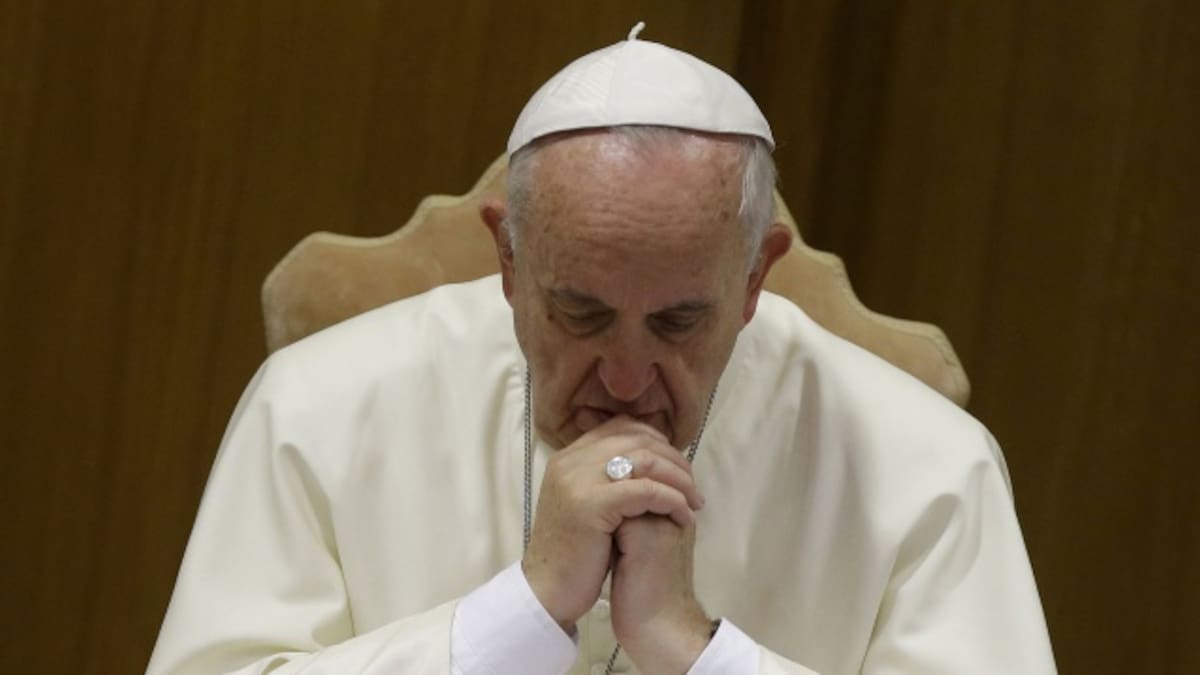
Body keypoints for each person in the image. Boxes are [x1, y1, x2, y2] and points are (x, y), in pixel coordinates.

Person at [147, 26, 1057, 675]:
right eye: (580, 314)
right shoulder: (317, 405)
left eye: (678, 323)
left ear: (755, 277)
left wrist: (691, 648)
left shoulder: (929, 468)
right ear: (510, 260)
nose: (625, 378)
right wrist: (522, 610)